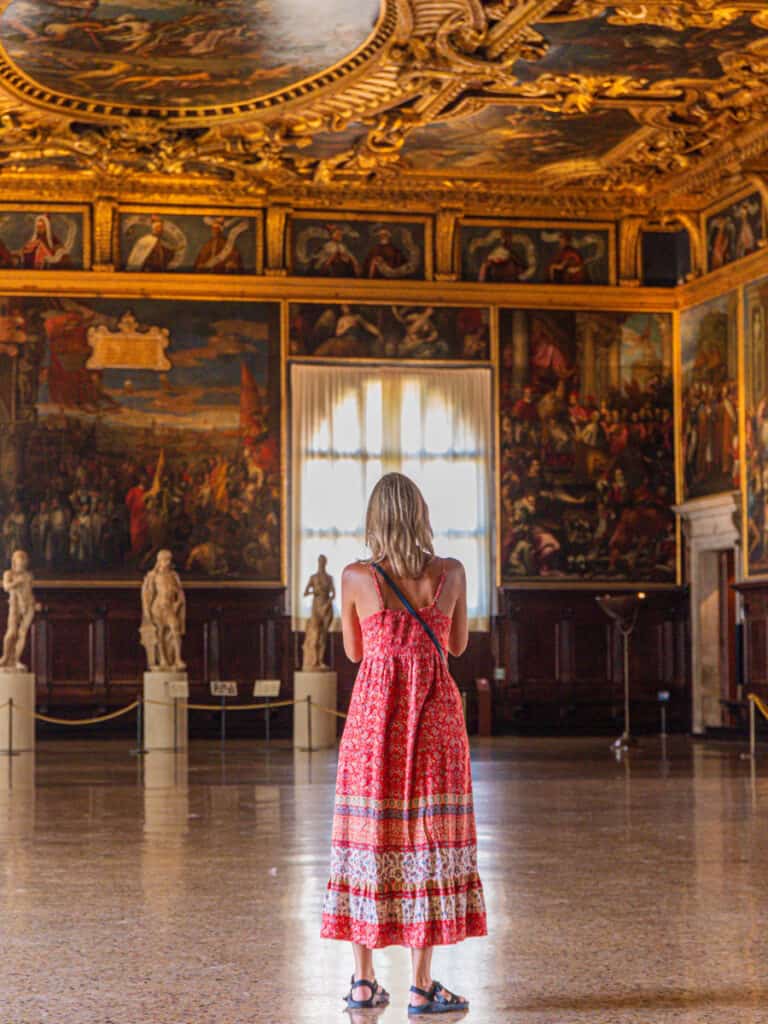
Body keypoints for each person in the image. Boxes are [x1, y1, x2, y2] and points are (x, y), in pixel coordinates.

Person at [321, 473, 486, 1013]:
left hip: (373, 724)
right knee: (428, 841)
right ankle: (421, 985)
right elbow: (456, 646)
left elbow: (352, 651)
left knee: (366, 838)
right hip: (435, 721)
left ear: (375, 519)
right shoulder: (452, 573)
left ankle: (364, 982)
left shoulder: (353, 577)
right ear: (421, 514)